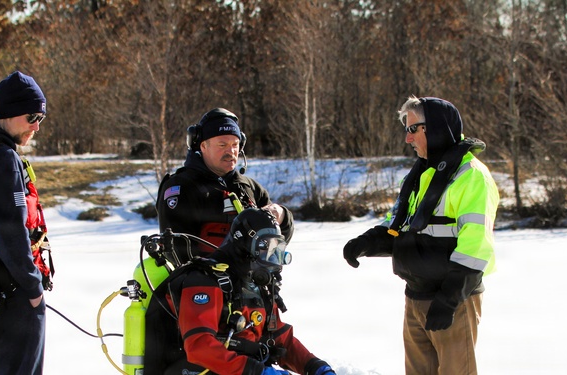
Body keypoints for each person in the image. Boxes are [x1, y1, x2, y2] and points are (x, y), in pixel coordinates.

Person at [343, 96, 499, 374]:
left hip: (453, 301)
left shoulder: (471, 176)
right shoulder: (420, 174)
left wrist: (449, 299)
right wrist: (365, 243)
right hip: (415, 296)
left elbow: (477, 247)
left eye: (414, 129)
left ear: (437, 128)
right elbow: (398, 224)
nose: (407, 138)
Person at [144, 208, 336, 375]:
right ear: (244, 244)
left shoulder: (257, 286)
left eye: (275, 249)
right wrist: (256, 372)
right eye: (265, 248)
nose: (270, 257)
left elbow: (278, 337)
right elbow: (199, 347)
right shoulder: (204, 281)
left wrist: (314, 366)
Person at [156, 107, 294, 258]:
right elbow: (177, 253)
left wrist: (282, 215)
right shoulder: (182, 187)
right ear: (203, 146)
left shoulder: (250, 188)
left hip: (252, 280)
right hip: (203, 280)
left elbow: (275, 246)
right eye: (222, 145)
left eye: (235, 145)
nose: (231, 152)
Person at [0, 71, 53, 374]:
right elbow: (9, 229)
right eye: (31, 116)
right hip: (12, 295)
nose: (36, 126)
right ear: (9, 113)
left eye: (41, 117)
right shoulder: (2, 159)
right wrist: (32, 288)